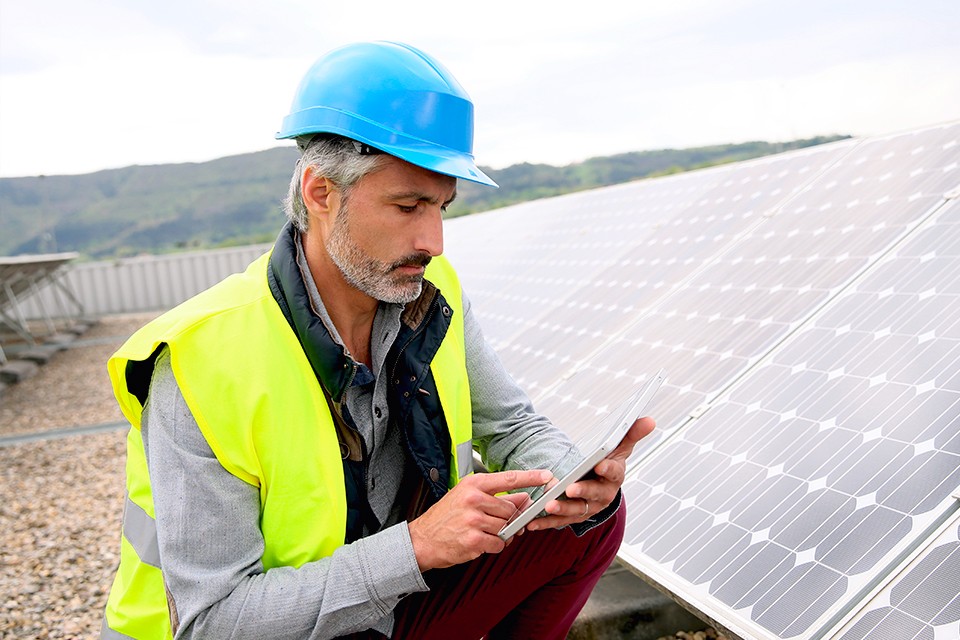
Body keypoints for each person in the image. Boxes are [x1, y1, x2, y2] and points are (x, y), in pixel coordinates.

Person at [101, 41, 655, 639]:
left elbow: (512, 426)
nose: (434, 240)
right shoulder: (202, 359)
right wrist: (414, 548)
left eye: (442, 205)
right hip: (270, 626)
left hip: (384, 603)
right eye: (408, 204)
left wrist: (565, 478)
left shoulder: (429, 291)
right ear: (321, 193)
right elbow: (212, 622)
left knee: (592, 522)